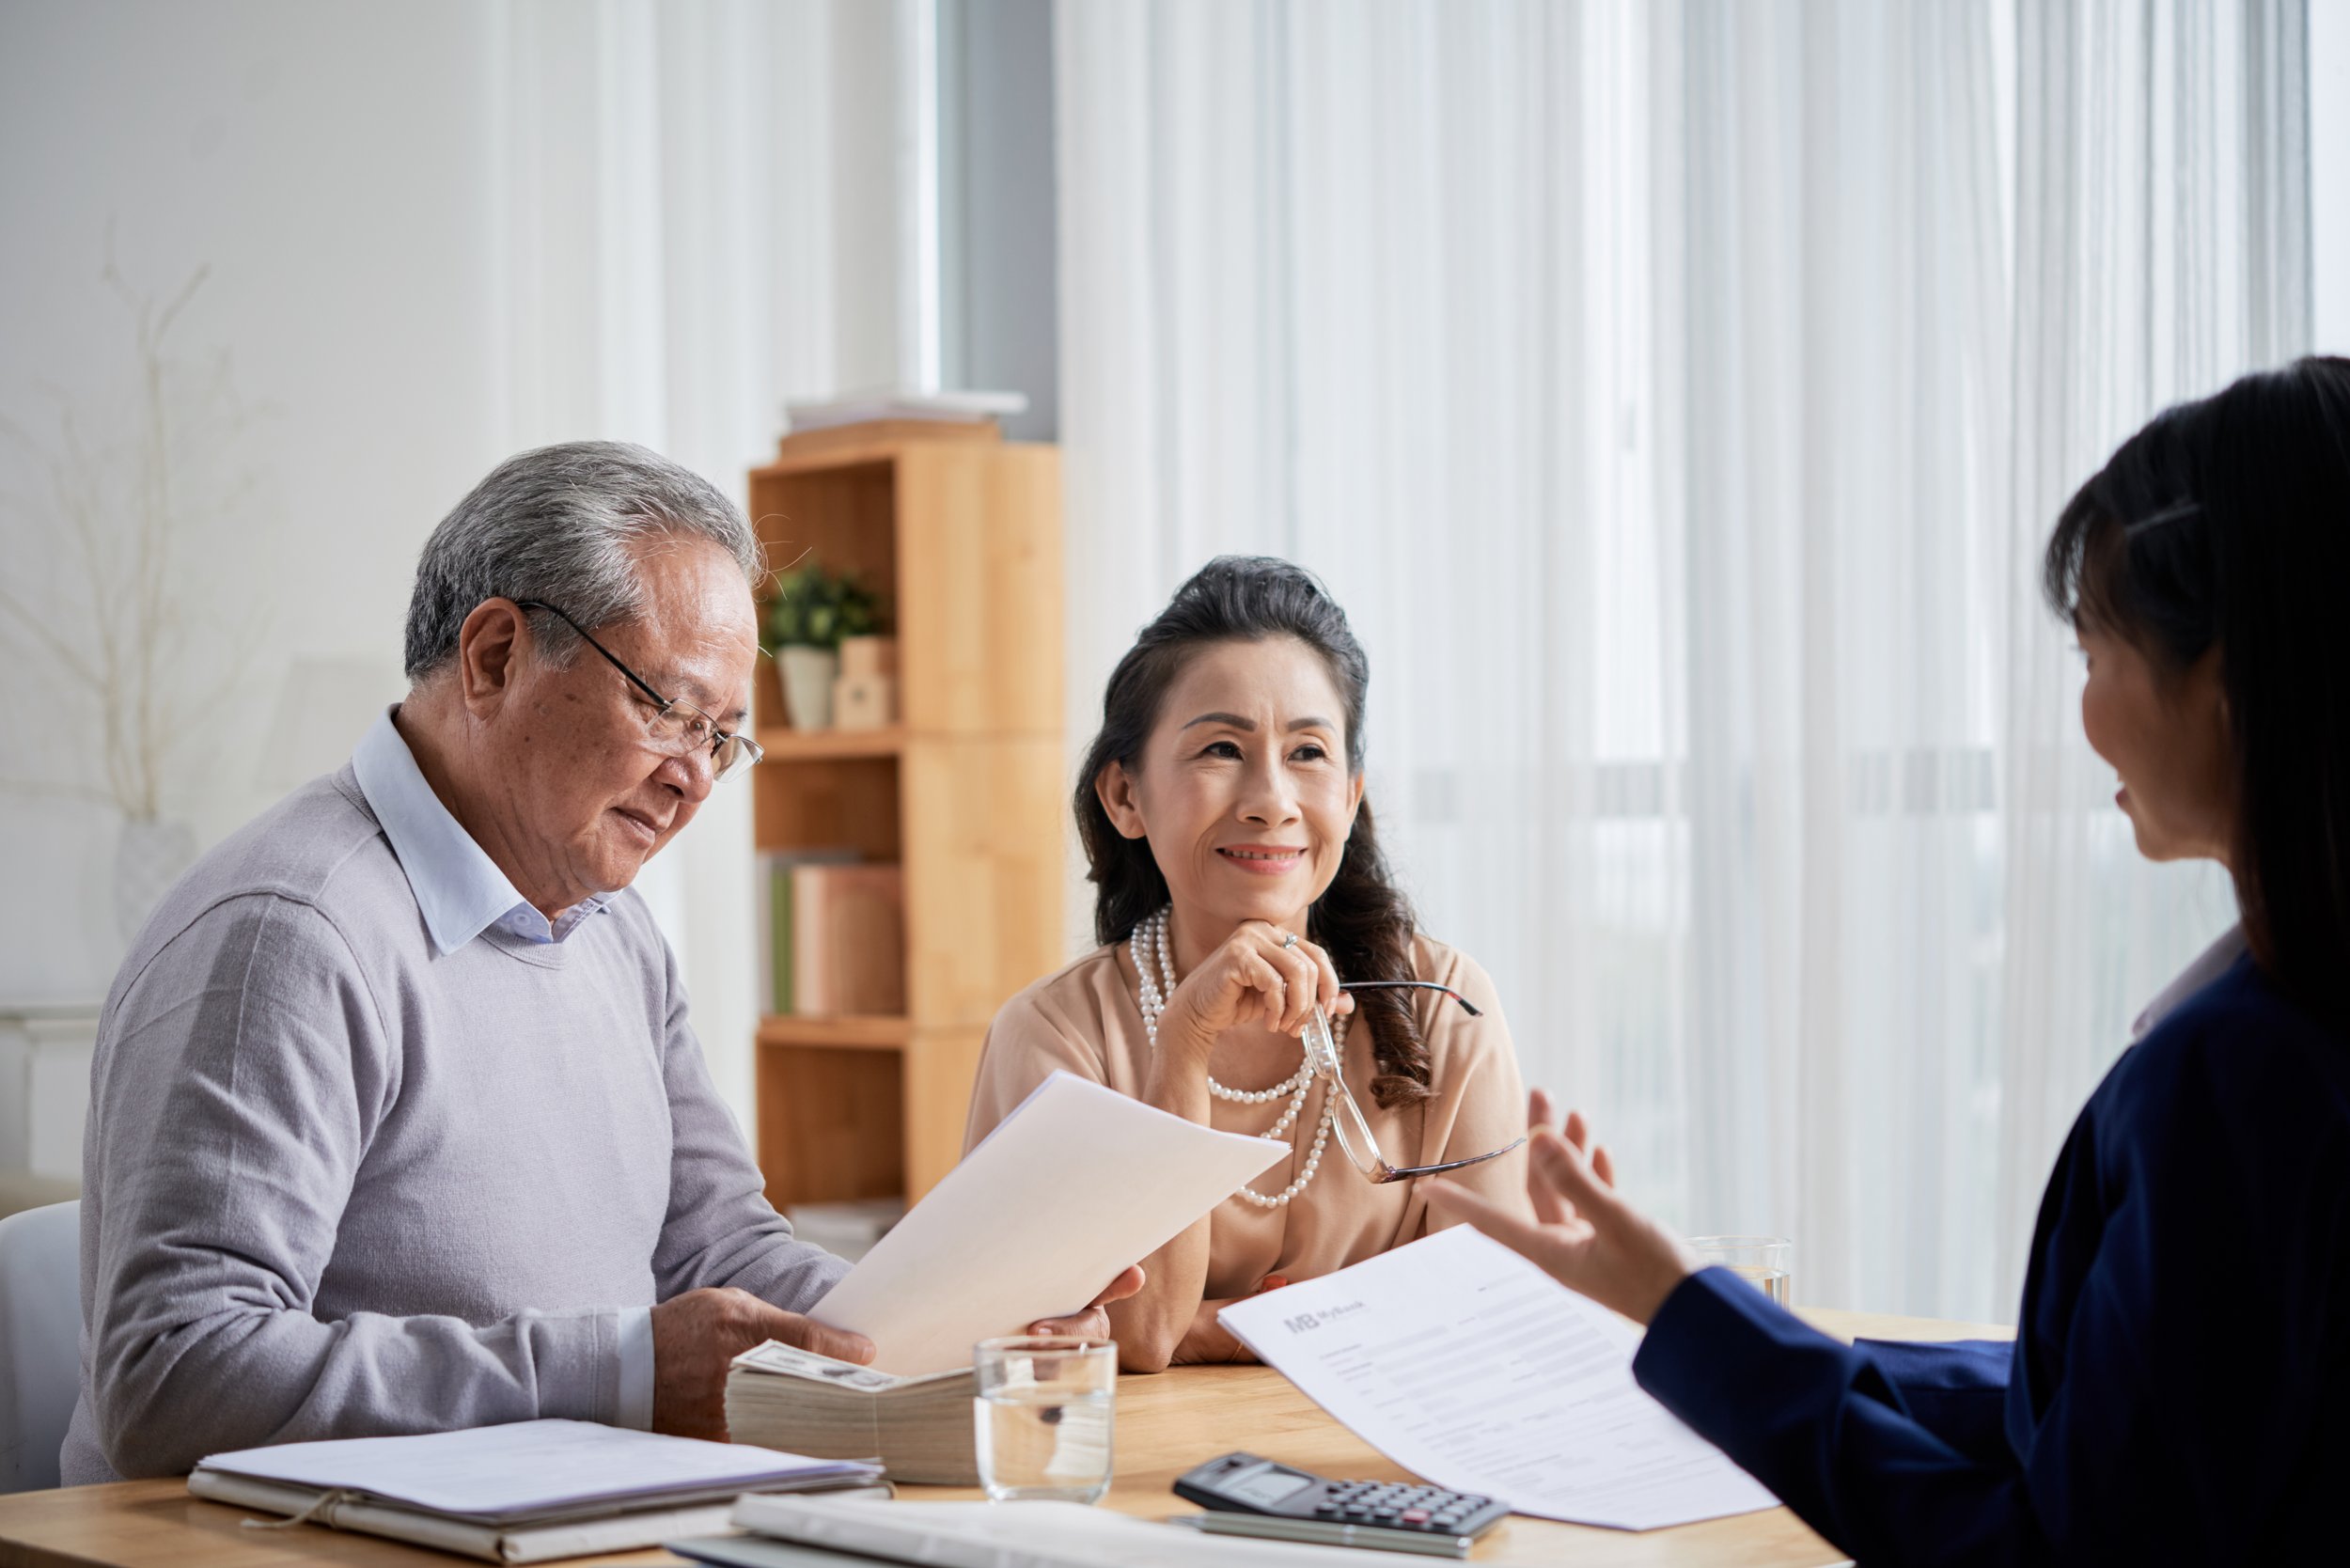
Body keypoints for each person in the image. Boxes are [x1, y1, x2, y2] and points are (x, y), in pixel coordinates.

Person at [62, 442, 1136, 1483]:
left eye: (722, 737)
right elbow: (175, 1377)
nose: (695, 782)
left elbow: (718, 1250)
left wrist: (959, 1320)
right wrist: (616, 1370)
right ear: (494, 658)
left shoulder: (609, 928)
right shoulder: (291, 934)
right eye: (667, 709)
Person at [1430, 357, 2350, 1564]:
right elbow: (2129, 1404)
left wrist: (1679, 1315)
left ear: (2224, 680)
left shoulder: (2236, 1071)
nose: (2080, 716)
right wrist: (1708, 1321)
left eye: (2092, 656)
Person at [964, 557, 1532, 1372]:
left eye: (1308, 752)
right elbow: (1135, 1337)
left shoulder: (1447, 1007)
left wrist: (1222, 1325)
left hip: (1386, 1465)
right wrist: (1185, 1042)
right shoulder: (1055, 1037)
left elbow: (1484, 1306)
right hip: (1137, 1478)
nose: (1271, 798)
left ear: (1351, 793)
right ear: (1125, 796)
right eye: (1223, 748)